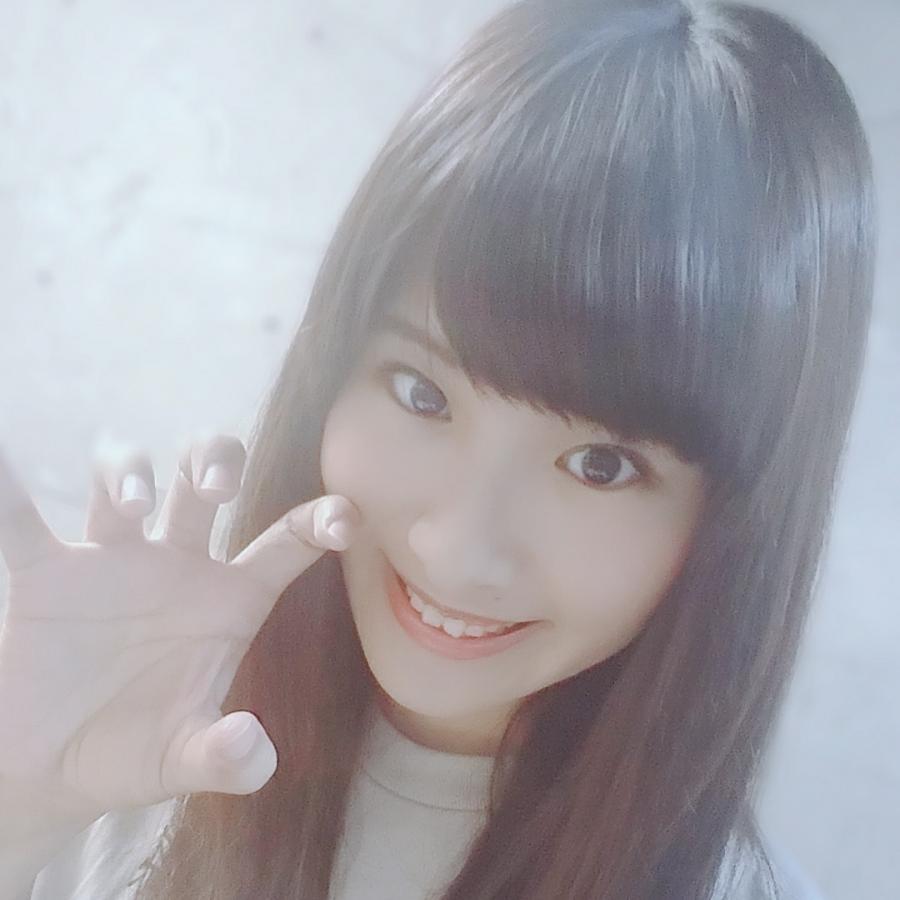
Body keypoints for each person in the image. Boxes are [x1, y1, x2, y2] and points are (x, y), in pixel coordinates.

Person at [0, 0, 875, 897]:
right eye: (422, 393)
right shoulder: (141, 748)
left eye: (601, 465)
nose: (456, 551)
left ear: (734, 516)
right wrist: (19, 806)